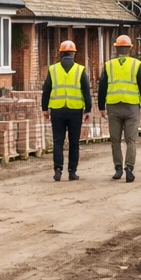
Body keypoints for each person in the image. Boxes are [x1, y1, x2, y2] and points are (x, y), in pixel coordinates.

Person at [97, 34, 141, 183]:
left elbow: (102, 86)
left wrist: (101, 106)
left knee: (115, 140)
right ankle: (129, 168)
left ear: (116, 48)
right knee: (131, 140)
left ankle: (118, 168)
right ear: (130, 48)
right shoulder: (136, 64)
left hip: (113, 106)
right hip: (132, 107)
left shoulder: (108, 65)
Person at [41, 39, 92, 182]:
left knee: (58, 141)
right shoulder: (80, 70)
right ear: (74, 54)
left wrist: (45, 109)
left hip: (57, 110)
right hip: (75, 110)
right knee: (74, 142)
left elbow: (46, 90)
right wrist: (88, 110)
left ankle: (58, 169)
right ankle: (72, 172)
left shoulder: (53, 69)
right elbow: (86, 91)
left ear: (60, 54)